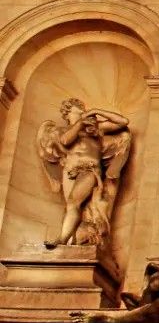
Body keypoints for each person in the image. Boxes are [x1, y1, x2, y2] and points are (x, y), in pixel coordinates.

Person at [37, 98, 131, 248]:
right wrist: (80, 123)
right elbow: (66, 140)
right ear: (67, 111)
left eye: (83, 107)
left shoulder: (96, 129)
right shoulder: (61, 130)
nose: (82, 109)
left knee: (74, 202)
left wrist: (96, 111)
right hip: (69, 171)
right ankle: (69, 240)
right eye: (78, 107)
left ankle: (61, 240)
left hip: (89, 169)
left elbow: (123, 121)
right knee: (70, 206)